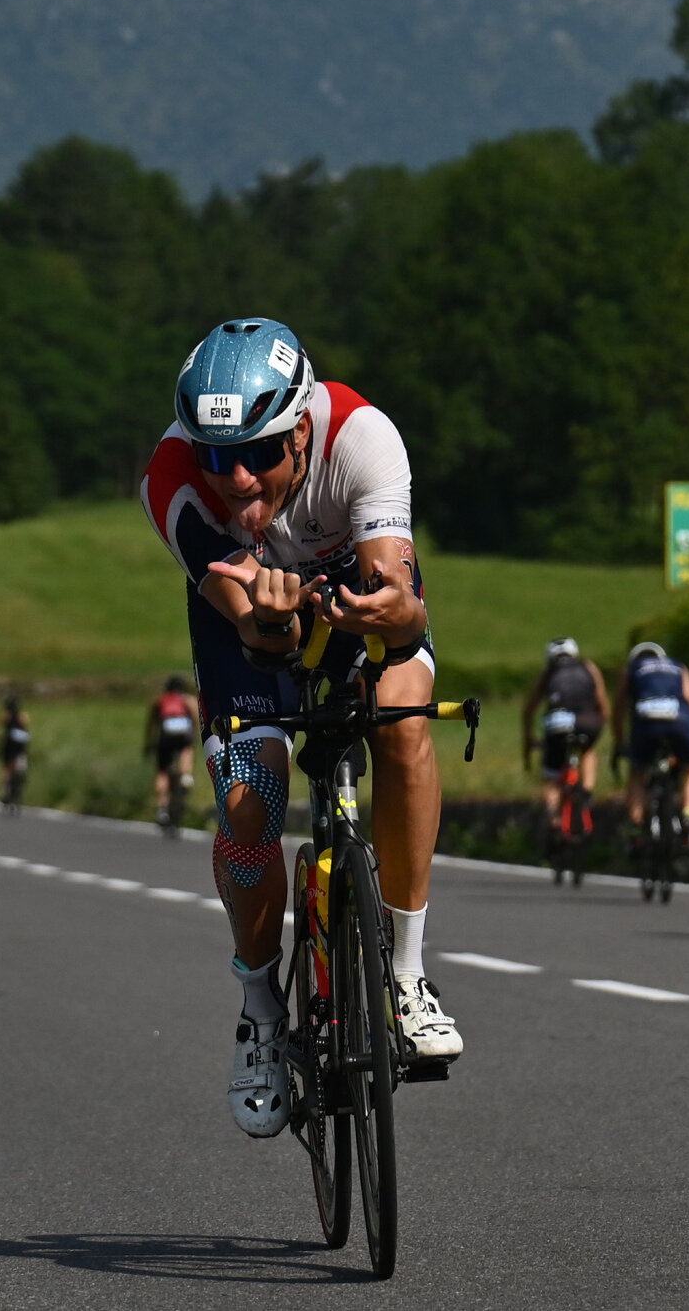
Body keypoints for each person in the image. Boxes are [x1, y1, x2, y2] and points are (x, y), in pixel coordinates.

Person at [144, 317, 459, 1141]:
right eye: (219, 457)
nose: (238, 480)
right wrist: (274, 630)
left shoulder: (363, 438)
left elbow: (400, 599)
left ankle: (407, 976)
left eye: (259, 453)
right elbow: (255, 633)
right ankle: (259, 1013)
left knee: (401, 718)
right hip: (248, 621)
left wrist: (396, 612)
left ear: (303, 428)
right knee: (249, 803)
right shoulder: (173, 481)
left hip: (352, 588)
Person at [522, 637, 609, 827]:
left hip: (556, 723)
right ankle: (586, 792)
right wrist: (601, 726)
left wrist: (529, 741)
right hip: (587, 721)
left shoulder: (548, 672)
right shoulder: (588, 667)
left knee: (552, 778)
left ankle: (553, 820)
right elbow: (602, 703)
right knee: (588, 750)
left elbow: (529, 711)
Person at [622, 641, 689, 830]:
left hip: (647, 724)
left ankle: (637, 827)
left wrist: (620, 740)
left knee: (637, 773)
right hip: (679, 720)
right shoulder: (678, 666)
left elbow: (620, 707)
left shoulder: (632, 669)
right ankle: (688, 815)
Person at [145, 675, 202, 831]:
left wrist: (149, 744)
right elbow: (197, 719)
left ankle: (162, 810)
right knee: (187, 749)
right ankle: (186, 776)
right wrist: (195, 737)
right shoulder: (187, 700)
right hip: (184, 730)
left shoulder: (160, 700)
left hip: (165, 732)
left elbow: (151, 724)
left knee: (163, 771)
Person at [0, 693, 31, 810]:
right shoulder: (23, 716)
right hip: (21, 747)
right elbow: (27, 729)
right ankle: (18, 784)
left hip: (9, 745)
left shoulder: (6, 716)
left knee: (7, 768)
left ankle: (6, 790)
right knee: (20, 765)